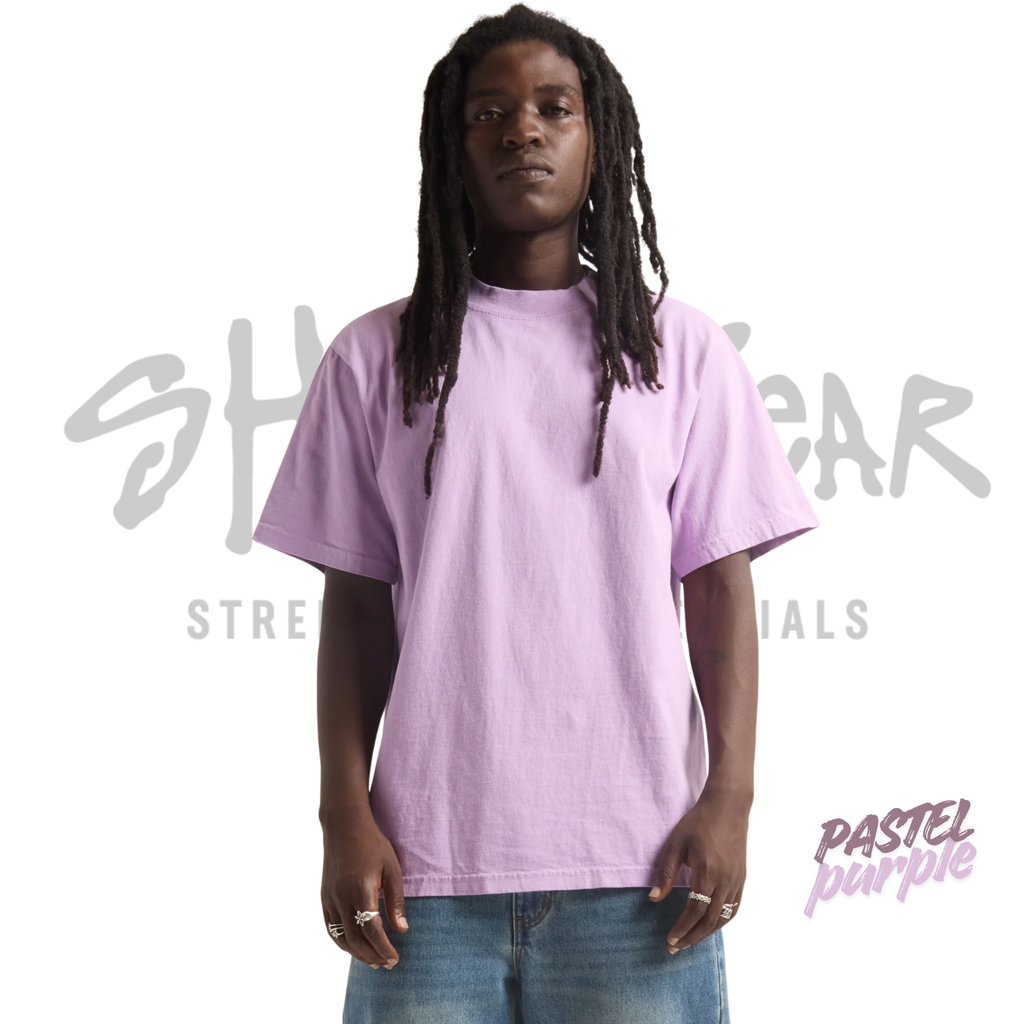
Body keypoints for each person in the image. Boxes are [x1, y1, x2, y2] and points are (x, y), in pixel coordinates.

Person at [252, 5, 819, 1021]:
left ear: (598, 139)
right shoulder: (377, 357)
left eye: (555, 108)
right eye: (489, 113)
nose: (523, 129)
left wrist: (729, 799)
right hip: (422, 873)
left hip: (641, 866)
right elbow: (357, 606)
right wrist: (344, 813)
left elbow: (719, 589)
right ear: (451, 149)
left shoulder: (677, 351)